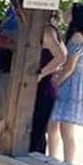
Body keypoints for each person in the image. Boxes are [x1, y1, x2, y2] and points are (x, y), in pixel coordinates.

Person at [47, 3, 83, 164]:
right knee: (53, 125)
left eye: (69, 12)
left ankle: (68, 163)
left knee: (65, 129)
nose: (66, 14)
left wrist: (56, 83)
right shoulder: (78, 36)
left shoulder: (77, 37)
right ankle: (52, 158)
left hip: (71, 83)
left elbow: (69, 67)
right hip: (74, 81)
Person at [30, 11, 67, 155]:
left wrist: (41, 73)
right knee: (38, 129)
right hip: (47, 86)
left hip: (43, 86)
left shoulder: (47, 30)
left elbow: (61, 57)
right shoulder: (54, 30)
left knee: (36, 130)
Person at [0, 0, 21, 150]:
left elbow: (23, 46)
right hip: (1, 64)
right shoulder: (9, 14)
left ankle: (7, 146)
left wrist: (4, 42)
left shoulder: (25, 17)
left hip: (13, 67)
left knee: (7, 110)